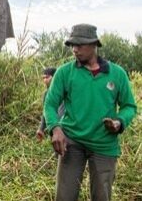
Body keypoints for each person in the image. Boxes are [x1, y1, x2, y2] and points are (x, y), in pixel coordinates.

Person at [44, 24, 137, 201]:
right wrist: (55, 128)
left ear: (94, 44)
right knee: (64, 196)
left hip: (104, 144)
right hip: (72, 142)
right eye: (72, 45)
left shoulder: (116, 74)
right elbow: (50, 103)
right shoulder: (65, 72)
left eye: (79, 45)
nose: (75, 49)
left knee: (102, 196)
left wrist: (119, 122)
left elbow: (129, 106)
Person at [35, 67, 65, 141]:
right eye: (43, 78)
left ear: (55, 77)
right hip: (54, 128)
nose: (45, 80)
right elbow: (46, 111)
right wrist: (41, 129)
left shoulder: (64, 90)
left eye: (47, 77)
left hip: (66, 127)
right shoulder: (46, 93)